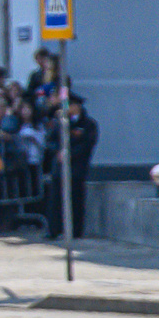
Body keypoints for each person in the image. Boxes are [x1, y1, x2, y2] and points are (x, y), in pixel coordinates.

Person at [44, 92, 99, 240]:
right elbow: (50, 140)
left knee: (76, 200)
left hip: (76, 169)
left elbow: (88, 144)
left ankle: (76, 231)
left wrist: (70, 153)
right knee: (55, 200)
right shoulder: (60, 122)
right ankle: (53, 229)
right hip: (59, 168)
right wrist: (58, 151)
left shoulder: (88, 124)